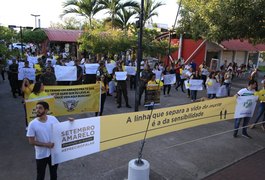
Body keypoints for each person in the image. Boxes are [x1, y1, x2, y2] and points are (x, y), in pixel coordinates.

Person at [26, 101, 59, 180]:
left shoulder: (53, 119)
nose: (37, 110)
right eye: (36, 108)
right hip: (41, 155)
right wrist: (46, 145)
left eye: (40, 108)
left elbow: (61, 128)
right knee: (40, 176)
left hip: (53, 153)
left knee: (54, 174)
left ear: (46, 110)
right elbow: (31, 141)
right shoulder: (32, 124)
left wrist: (71, 122)